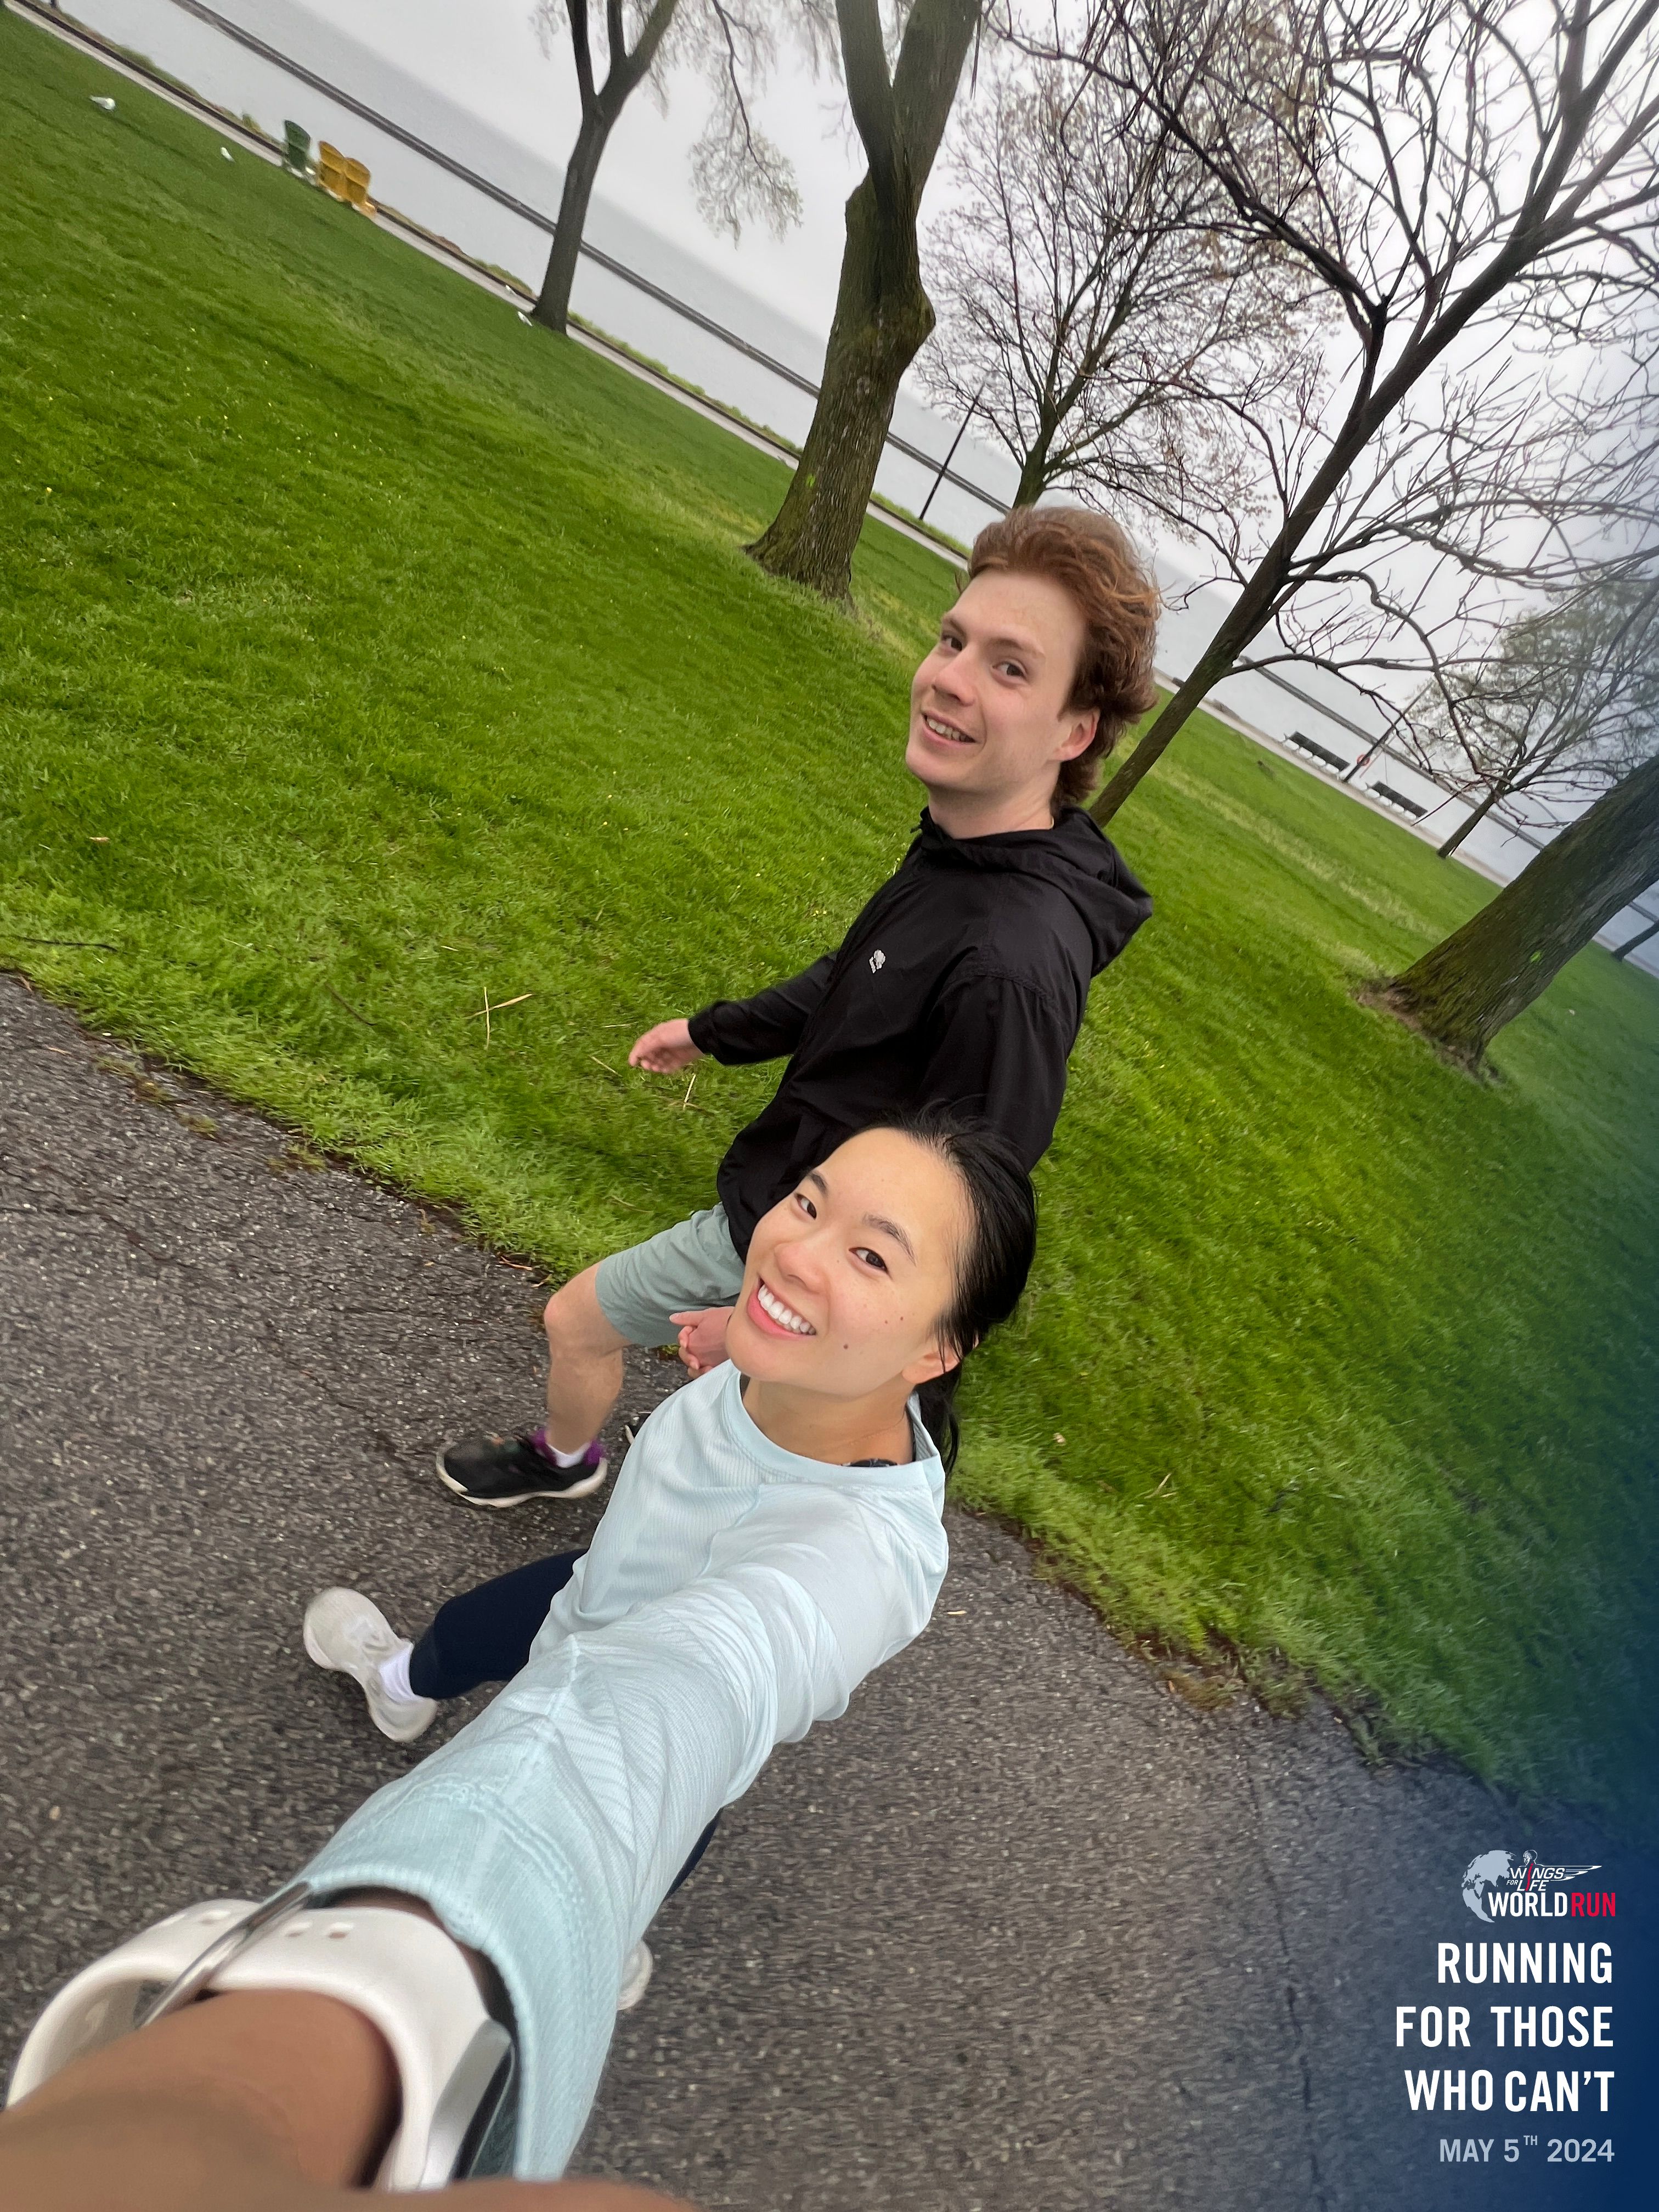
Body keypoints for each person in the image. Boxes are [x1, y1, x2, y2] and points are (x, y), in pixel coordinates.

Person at [3, 1119, 1036, 2202]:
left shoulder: (865, 1562)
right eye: (809, 1203)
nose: (798, 1253)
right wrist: (744, 1335)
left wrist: (406, 1976)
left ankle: (576, 1901)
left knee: (643, 1808)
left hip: (643, 1710)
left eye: (871, 1255)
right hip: (594, 1593)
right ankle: (459, 1751)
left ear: (936, 1352)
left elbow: (706, 1680)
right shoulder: (810, 1368)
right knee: (486, 1657)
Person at [439, 505, 1156, 1510]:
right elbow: (857, 975)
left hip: (800, 1253)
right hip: (790, 1209)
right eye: (953, 640)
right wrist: (712, 1033)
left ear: (1075, 730)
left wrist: (758, 1327)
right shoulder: (967, 849)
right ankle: (713, 1430)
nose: (950, 678)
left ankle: (568, 1465)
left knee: (579, 1323)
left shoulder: (1012, 964)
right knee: (720, 1423)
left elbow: (955, 1231)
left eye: (1009, 667)